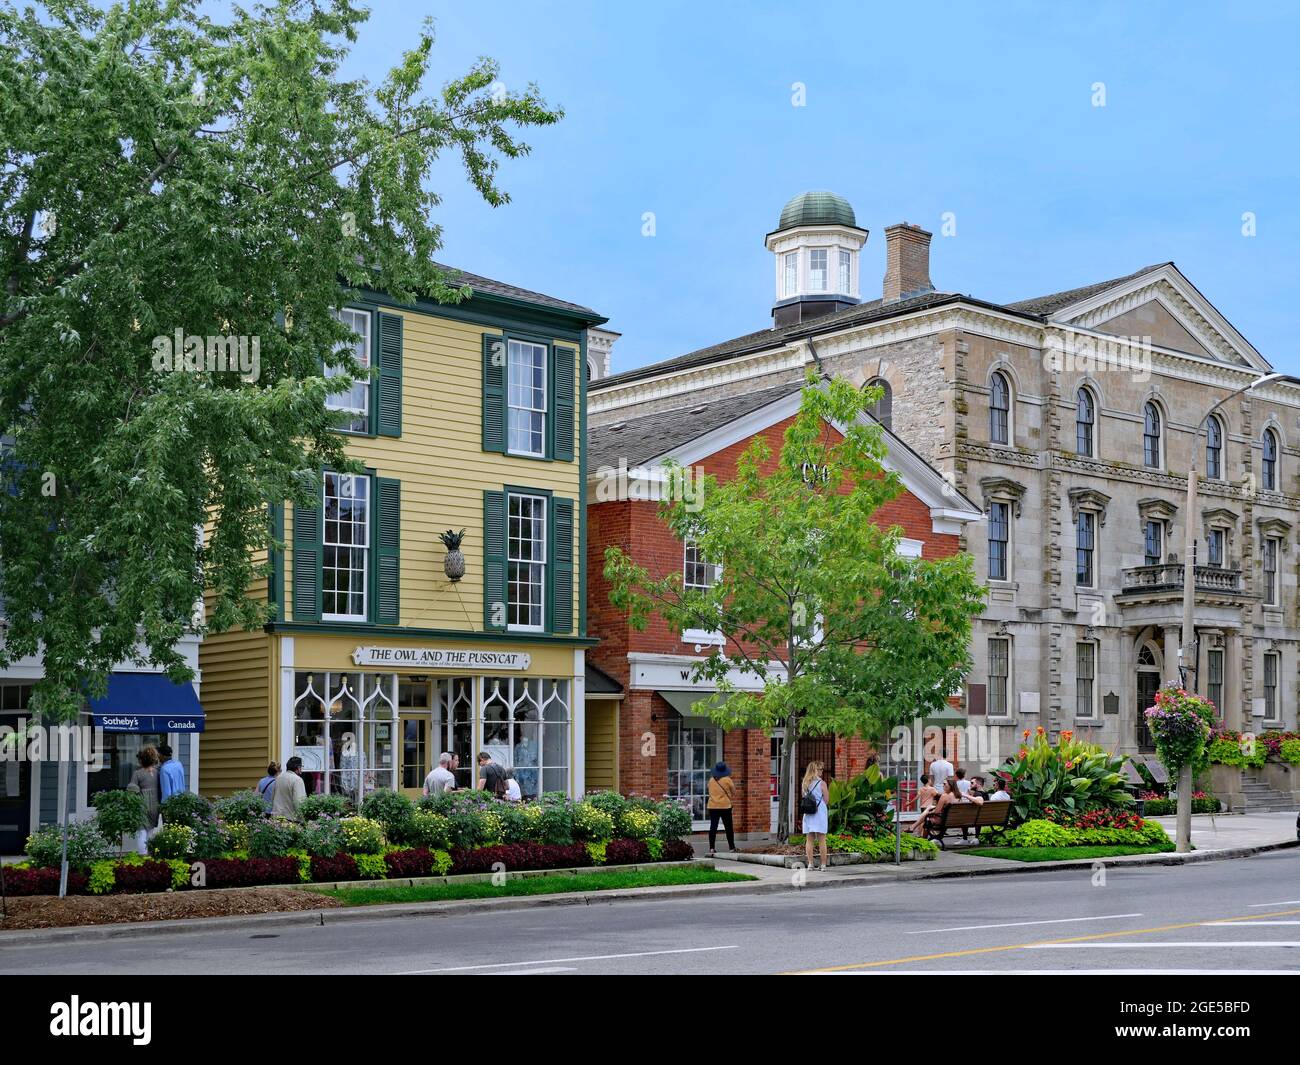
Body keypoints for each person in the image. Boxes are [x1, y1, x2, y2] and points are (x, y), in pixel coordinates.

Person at [127, 746, 161, 854]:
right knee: (150, 831)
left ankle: (143, 858)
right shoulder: (158, 773)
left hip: (142, 804)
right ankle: (150, 856)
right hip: (155, 805)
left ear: (141, 760)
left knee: (141, 832)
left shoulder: (137, 773)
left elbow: (132, 791)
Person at [800, 760, 830, 870]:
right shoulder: (822, 783)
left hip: (808, 813)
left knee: (809, 839)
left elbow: (804, 797)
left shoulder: (805, 783)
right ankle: (823, 865)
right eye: (820, 769)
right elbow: (826, 800)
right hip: (819, 812)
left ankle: (810, 864)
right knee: (822, 839)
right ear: (815, 770)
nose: (822, 771)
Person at [706, 762, 737, 857]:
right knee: (728, 827)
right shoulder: (728, 780)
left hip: (712, 806)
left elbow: (709, 790)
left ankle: (711, 848)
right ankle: (731, 847)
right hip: (725, 806)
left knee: (713, 827)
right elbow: (734, 792)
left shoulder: (711, 780)